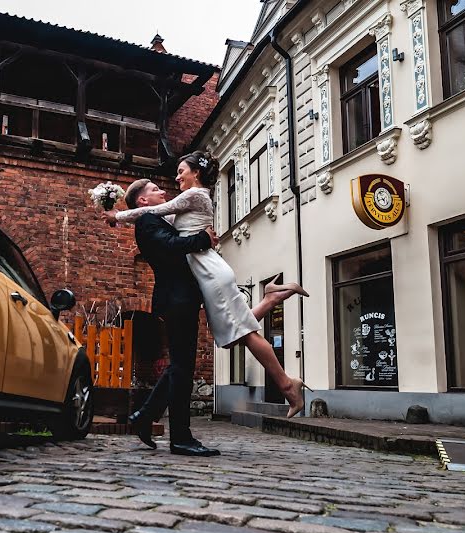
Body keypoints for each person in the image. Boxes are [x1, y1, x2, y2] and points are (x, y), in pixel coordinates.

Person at [104, 151, 310, 419]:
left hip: (209, 270)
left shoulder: (195, 195)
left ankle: (287, 387)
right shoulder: (188, 201)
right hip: (206, 268)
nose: (176, 177)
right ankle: (270, 299)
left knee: (246, 333)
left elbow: (154, 211)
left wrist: (117, 216)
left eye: (181, 171)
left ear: (196, 173)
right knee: (229, 334)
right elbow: (159, 222)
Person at [123, 185, 220, 456]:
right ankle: (180, 438)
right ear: (142, 199)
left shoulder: (158, 219)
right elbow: (170, 247)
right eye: (155, 190)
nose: (162, 192)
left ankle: (145, 416)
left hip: (181, 297)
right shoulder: (146, 221)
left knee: (180, 366)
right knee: (182, 369)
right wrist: (202, 239)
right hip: (175, 298)